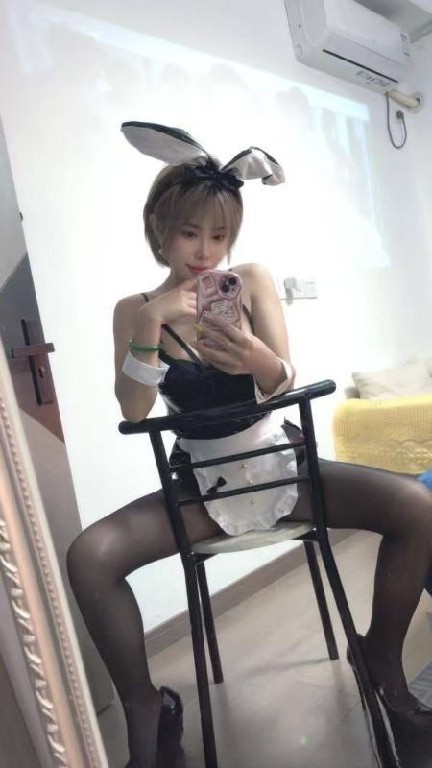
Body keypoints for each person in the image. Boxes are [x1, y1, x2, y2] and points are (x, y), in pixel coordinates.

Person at [67, 123, 432, 768]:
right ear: (160, 230)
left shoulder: (252, 280)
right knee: (90, 556)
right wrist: (152, 321)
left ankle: (381, 660)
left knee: (418, 506)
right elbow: (133, 410)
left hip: (283, 466)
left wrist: (257, 358)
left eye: (220, 235)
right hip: (201, 485)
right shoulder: (134, 309)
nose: (206, 251)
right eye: (190, 233)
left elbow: (281, 381)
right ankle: (148, 710)